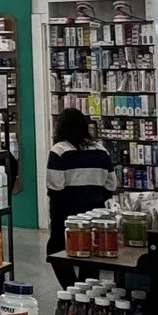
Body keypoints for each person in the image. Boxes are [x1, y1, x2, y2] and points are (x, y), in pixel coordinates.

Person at [44, 108, 118, 256]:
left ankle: (69, 273)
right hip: (96, 210)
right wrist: (96, 197)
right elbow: (111, 184)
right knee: (92, 248)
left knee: (58, 250)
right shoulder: (101, 150)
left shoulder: (59, 151)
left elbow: (55, 187)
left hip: (67, 212)